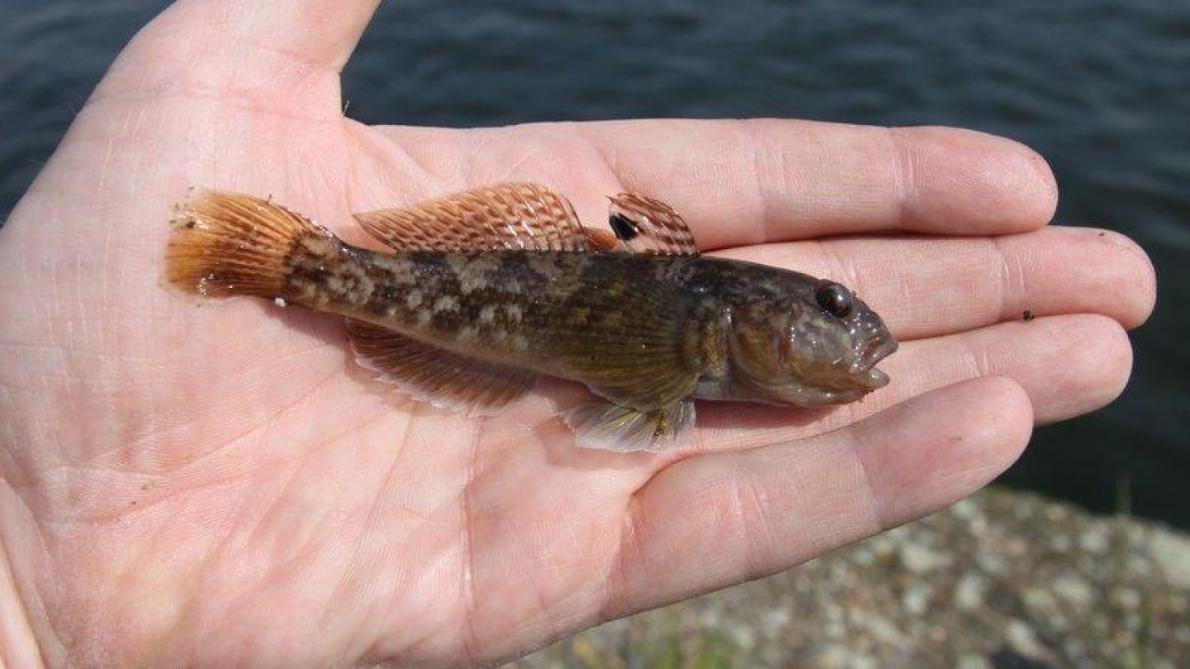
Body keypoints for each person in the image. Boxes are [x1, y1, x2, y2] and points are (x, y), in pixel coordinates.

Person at [0, 1, 1156, 666]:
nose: (850, 333)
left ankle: (297, 263)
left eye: (837, 314)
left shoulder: (710, 331)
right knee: (403, 278)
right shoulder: (691, 330)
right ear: (750, 320)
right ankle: (284, 257)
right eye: (829, 310)